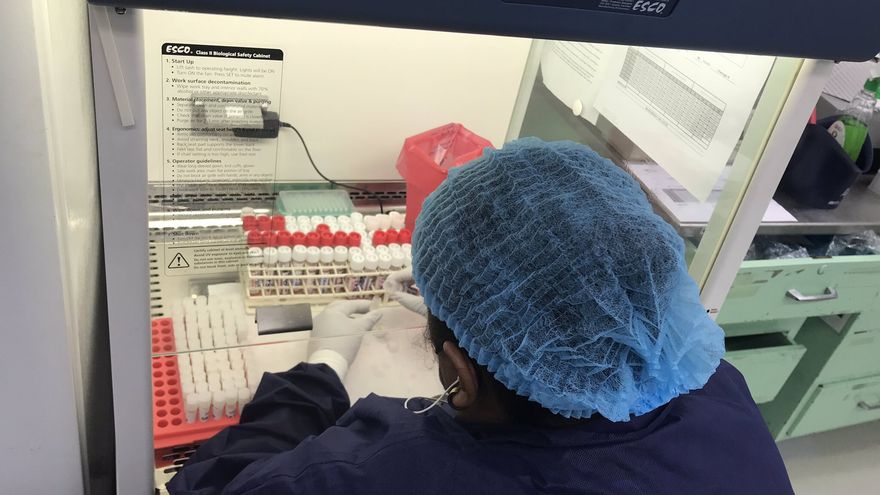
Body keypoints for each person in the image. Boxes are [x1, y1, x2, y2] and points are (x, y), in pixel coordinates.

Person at [168, 139, 793, 494]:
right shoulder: (722, 398)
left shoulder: (380, 473)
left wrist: (321, 367)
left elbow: (214, 485)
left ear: (459, 375)